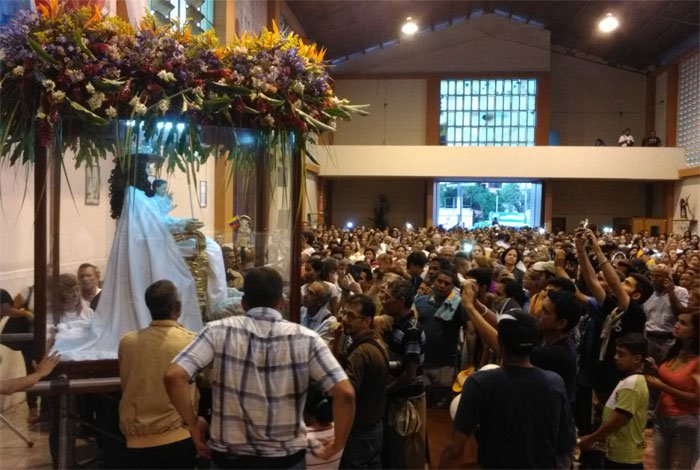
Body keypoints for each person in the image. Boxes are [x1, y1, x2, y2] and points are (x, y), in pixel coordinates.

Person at [164, 267, 355, 468]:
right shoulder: (307, 339)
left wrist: (193, 424)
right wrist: (337, 445)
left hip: (230, 460)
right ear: (281, 303)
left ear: (244, 303)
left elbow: (174, 376)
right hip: (285, 460)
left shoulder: (216, 331)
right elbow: (345, 393)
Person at [438, 310, 575, 469]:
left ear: (500, 344)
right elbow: (566, 443)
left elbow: (454, 450)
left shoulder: (481, 383)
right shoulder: (555, 383)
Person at [118, 280, 197, 469]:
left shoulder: (127, 342)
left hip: (135, 440)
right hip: (177, 435)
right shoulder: (189, 341)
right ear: (177, 308)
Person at [578, 334, 650, 470]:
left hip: (624, 456)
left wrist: (591, 438)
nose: (615, 357)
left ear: (637, 359)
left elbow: (617, 421)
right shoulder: (630, 381)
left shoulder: (632, 384)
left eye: (621, 354)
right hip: (619, 451)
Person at [337, 294, 389, 469]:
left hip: (359, 431)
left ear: (367, 321)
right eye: (344, 314)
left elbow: (347, 394)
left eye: (351, 316)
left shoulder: (361, 353)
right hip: (374, 427)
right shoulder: (376, 344)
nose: (344, 319)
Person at [381, 278, 427, 469]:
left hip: (406, 400)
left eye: (387, 298)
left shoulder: (412, 330)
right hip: (395, 396)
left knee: (406, 455)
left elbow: (409, 374)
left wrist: (385, 390)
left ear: (400, 301)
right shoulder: (396, 325)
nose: (383, 301)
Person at [645, 310, 699, 470]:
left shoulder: (697, 360)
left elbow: (697, 399)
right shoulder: (675, 350)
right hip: (661, 419)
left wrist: (662, 387)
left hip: (684, 422)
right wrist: (655, 369)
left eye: (683, 323)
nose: (676, 325)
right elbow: (675, 379)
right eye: (677, 321)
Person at [414, 270, 465, 405]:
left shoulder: (459, 305)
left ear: (453, 287)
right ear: (434, 282)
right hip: (422, 362)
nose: (442, 286)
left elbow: (470, 331)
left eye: (447, 284)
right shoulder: (419, 302)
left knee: (441, 408)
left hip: (445, 364)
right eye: (439, 281)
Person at [644, 263, 689, 364]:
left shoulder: (681, 292)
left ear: (668, 278)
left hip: (669, 341)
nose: (654, 279)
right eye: (652, 276)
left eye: (658, 276)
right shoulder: (649, 293)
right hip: (649, 339)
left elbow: (681, 315)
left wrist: (671, 293)